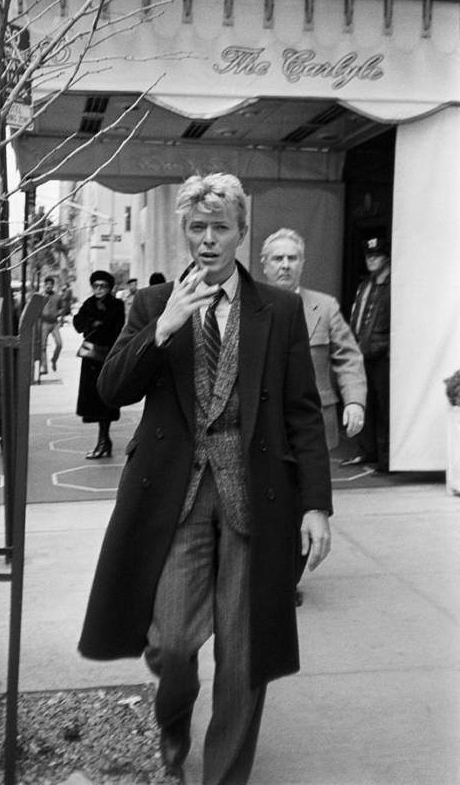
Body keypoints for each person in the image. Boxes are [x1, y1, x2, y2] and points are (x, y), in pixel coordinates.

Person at [78, 173, 332, 784]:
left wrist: (316, 505)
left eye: (221, 228)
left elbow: (301, 410)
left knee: (244, 655)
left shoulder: (280, 308)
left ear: (243, 232)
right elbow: (112, 389)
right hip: (176, 499)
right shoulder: (150, 304)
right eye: (197, 228)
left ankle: (223, 776)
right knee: (170, 643)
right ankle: (172, 727)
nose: (209, 240)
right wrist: (162, 327)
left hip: (257, 499)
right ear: (185, 233)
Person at [260, 228, 366, 450]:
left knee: (314, 484)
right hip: (263, 422)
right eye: (278, 258)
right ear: (265, 264)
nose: (286, 265)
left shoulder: (325, 307)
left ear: (302, 263)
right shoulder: (248, 307)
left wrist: (355, 401)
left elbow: (348, 358)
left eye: (293, 258)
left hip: (313, 422)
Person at [341, 235, 391, 473]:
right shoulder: (366, 285)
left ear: (386, 257)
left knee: (384, 408)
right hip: (363, 353)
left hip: (383, 356)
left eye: (377, 255)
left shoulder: (393, 286)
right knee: (365, 404)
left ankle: (386, 458)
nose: (372, 259)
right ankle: (366, 451)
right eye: (369, 255)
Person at [73, 270, 125, 459]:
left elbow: (118, 329)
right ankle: (104, 441)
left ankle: (104, 441)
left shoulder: (116, 305)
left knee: (106, 399)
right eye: (96, 286)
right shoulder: (89, 304)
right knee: (94, 400)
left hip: (108, 358)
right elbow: (78, 323)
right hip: (90, 360)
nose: (99, 289)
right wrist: (92, 323)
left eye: (103, 286)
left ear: (110, 288)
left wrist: (98, 324)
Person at [40, 276, 63, 374]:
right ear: (44, 285)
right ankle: (44, 368)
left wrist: (59, 314)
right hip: (44, 323)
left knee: (59, 344)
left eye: (51, 284)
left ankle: (54, 359)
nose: (49, 286)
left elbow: (62, 308)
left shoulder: (58, 296)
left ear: (53, 285)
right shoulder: (40, 296)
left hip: (54, 323)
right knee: (43, 346)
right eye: (47, 284)